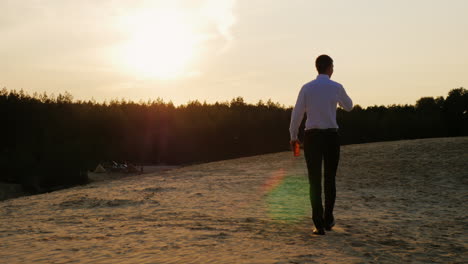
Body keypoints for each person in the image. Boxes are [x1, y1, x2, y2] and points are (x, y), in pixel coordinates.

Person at [289, 54, 353, 235]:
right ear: (330, 67)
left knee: (314, 180)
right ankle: (328, 219)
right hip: (331, 136)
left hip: (312, 137)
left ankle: (318, 224)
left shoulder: (307, 88)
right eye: (333, 66)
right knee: (330, 178)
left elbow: (297, 114)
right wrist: (335, 101)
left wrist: (293, 135)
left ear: (317, 67)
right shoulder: (336, 87)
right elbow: (349, 106)